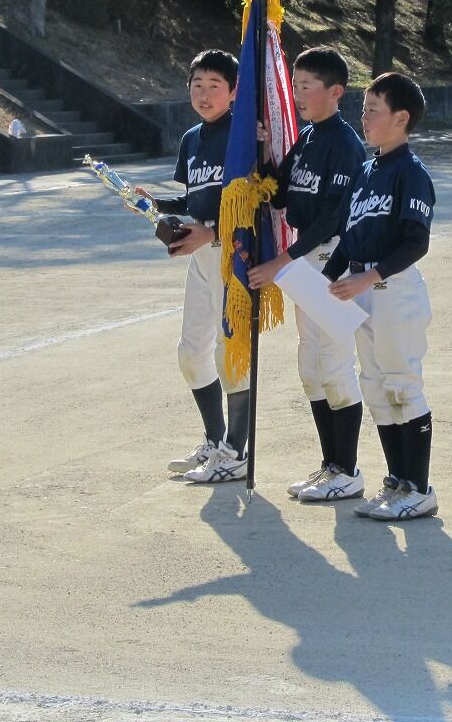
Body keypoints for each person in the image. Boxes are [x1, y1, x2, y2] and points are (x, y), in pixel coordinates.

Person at [247, 47, 367, 502]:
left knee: (335, 365)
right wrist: (261, 148)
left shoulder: (343, 144)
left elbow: (333, 219)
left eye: (305, 86)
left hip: (331, 260)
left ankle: (348, 469)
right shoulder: (310, 138)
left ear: (335, 92)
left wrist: (284, 258)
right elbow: (281, 193)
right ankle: (330, 465)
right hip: (303, 262)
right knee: (311, 367)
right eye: (293, 85)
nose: (296, 94)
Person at [323, 72, 437, 520]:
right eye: (364, 109)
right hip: (362, 289)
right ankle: (397, 481)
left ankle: (419, 487)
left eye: (373, 110)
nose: (364, 118)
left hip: (394, 291)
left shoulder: (411, 173)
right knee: (374, 385)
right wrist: (322, 282)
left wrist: (368, 277)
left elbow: (415, 243)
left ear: (401, 118)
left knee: (402, 384)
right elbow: (349, 238)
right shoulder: (368, 171)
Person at [134, 50, 250, 484]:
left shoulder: (244, 138)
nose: (203, 94)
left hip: (234, 254)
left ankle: (237, 452)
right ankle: (215, 441)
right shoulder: (191, 140)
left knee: (230, 354)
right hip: (200, 257)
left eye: (214, 86)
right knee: (190, 352)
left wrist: (214, 235)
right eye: (197, 85)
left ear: (235, 91)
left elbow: (255, 203)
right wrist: (154, 204)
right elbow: (192, 201)